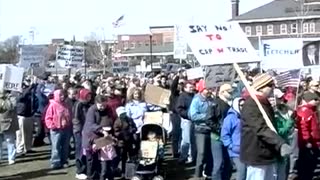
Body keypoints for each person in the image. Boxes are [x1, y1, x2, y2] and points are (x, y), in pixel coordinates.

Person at [240, 73, 292, 180]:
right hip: (257, 153)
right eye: (270, 85)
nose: (273, 88)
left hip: (267, 152)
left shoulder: (263, 103)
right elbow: (260, 128)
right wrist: (280, 143)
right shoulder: (251, 104)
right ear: (261, 87)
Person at [189, 83, 215, 179]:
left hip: (212, 129)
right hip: (201, 130)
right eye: (206, 89)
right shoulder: (196, 101)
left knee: (211, 153)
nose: (209, 90)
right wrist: (207, 116)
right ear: (201, 90)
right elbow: (193, 116)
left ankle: (208, 172)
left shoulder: (212, 100)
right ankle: (198, 174)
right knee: (201, 153)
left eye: (209, 88)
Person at [82, 95, 111, 180]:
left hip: (100, 138)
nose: (103, 107)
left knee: (99, 159)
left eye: (104, 105)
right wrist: (102, 130)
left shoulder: (107, 109)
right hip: (90, 137)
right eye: (101, 105)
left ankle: (99, 176)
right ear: (96, 103)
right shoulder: (92, 110)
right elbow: (91, 124)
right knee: (91, 160)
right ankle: (90, 177)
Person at [45, 89, 72, 169]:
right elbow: (48, 118)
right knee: (56, 146)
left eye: (63, 95)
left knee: (65, 146)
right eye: (60, 95)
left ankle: (64, 161)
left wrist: (69, 122)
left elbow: (69, 115)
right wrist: (52, 126)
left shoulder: (66, 105)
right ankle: (55, 162)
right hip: (56, 129)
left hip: (66, 128)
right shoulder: (52, 105)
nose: (62, 97)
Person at [296, 92, 320, 180]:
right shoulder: (305, 111)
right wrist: (307, 141)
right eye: (315, 100)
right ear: (309, 100)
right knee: (307, 164)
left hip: (315, 142)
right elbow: (303, 127)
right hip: (308, 143)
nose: (317, 101)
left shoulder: (312, 110)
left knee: (312, 163)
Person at [221, 98, 246, 180]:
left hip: (246, 150)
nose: (243, 107)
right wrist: (231, 146)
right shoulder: (230, 118)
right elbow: (224, 135)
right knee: (241, 173)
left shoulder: (246, 116)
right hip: (235, 152)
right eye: (241, 105)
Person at [73, 88, 92, 180]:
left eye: (90, 96)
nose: (89, 97)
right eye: (87, 95)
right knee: (80, 150)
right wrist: (79, 130)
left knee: (86, 151)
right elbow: (76, 119)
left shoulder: (89, 105)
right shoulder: (79, 104)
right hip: (80, 131)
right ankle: (79, 170)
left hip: (87, 131)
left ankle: (86, 169)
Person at [176, 81, 195, 163]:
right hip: (187, 120)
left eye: (192, 87)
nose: (192, 88)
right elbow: (179, 109)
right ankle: (184, 156)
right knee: (186, 139)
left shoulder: (194, 95)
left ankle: (192, 156)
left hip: (194, 119)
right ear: (185, 88)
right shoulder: (182, 97)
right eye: (190, 87)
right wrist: (187, 115)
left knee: (193, 139)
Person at [15, 82, 37, 155]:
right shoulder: (16, 93)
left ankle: (28, 148)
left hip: (29, 115)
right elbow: (21, 97)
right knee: (21, 134)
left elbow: (34, 100)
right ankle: (20, 149)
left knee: (29, 133)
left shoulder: (29, 94)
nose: (24, 88)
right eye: (23, 87)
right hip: (21, 116)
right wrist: (29, 88)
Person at [0, 90, 19, 165]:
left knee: (10, 142)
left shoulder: (12, 98)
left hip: (9, 123)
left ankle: (11, 158)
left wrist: (8, 97)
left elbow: (11, 106)